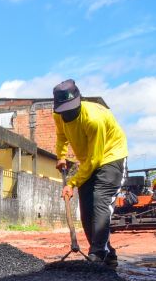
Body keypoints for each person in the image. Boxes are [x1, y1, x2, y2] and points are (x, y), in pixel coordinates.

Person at [53, 79, 128, 266]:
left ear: (79, 100)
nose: (68, 114)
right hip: (89, 160)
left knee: (100, 200)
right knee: (86, 209)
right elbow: (62, 135)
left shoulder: (94, 119)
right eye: (64, 110)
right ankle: (106, 252)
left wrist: (72, 183)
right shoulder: (59, 115)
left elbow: (95, 159)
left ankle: (97, 253)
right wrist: (61, 156)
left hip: (111, 156)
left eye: (72, 108)